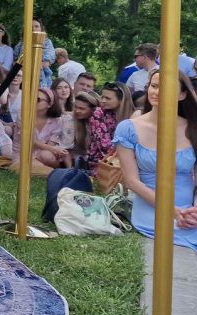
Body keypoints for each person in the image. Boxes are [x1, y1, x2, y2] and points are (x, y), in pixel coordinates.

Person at [114, 70, 197, 250]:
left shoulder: (193, 127)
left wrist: (195, 210)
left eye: (166, 87)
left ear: (183, 94)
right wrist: (173, 211)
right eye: (154, 86)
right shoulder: (128, 128)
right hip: (151, 208)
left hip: (190, 209)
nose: (157, 92)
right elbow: (131, 181)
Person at [11, 88, 70, 174]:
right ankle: (57, 172)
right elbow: (29, 140)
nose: (33, 101)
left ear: (49, 104)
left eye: (37, 99)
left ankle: (59, 170)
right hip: (23, 155)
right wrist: (53, 149)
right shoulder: (23, 116)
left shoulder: (56, 121)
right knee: (46, 171)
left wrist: (54, 150)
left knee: (47, 155)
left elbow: (51, 144)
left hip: (42, 154)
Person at [84, 82, 136, 172]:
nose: (103, 100)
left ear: (121, 100)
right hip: (103, 161)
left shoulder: (134, 115)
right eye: (102, 96)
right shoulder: (98, 113)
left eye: (107, 98)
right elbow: (105, 146)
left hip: (127, 159)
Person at [13, 18, 56, 88]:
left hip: (42, 82)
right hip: (22, 81)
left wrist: (26, 64)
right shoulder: (20, 45)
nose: (33, 29)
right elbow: (15, 64)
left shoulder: (47, 43)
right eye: (30, 26)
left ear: (41, 29)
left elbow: (45, 64)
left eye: (36, 26)